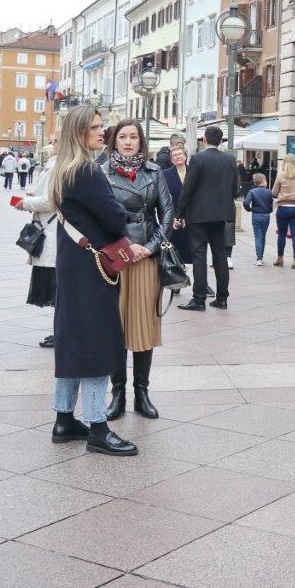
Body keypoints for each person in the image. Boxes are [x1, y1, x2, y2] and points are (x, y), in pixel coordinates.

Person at [47, 105, 137, 456]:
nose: (104, 132)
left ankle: (64, 418)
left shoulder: (62, 169)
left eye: (103, 126)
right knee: (98, 341)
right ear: (79, 133)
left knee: (71, 338)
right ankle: (98, 426)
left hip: (73, 262)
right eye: (96, 128)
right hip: (92, 265)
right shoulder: (87, 171)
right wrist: (121, 213)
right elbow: (115, 219)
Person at [102, 120, 173, 421]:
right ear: (114, 141)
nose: (128, 142)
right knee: (114, 327)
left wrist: (151, 246)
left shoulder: (154, 172)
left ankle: (141, 392)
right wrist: (121, 245)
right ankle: (118, 393)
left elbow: (167, 214)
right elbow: (98, 214)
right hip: (115, 256)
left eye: (133, 137)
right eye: (123, 137)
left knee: (144, 325)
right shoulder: (101, 172)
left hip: (145, 256)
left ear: (141, 141)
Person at [175, 125, 236, 311]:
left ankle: (199, 299)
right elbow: (235, 189)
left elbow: (188, 188)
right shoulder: (230, 159)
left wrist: (180, 213)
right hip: (220, 215)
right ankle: (222, 298)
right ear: (220, 140)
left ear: (204, 139)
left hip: (199, 215)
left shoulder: (198, 159)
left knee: (199, 255)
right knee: (220, 256)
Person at [18, 136, 59, 348]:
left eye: (56, 141)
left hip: (52, 233)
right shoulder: (53, 165)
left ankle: (61, 333)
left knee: (57, 291)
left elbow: (49, 201)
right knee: (57, 291)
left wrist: (25, 202)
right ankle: (60, 332)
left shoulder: (55, 167)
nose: (52, 145)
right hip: (51, 232)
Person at [161, 145, 193, 278]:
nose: (178, 156)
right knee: (175, 252)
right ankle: (177, 280)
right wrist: (173, 218)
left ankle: (202, 284)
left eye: (180, 154)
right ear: (171, 159)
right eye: (175, 155)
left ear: (185, 157)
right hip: (175, 219)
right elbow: (164, 199)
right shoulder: (165, 174)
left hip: (192, 218)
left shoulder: (194, 172)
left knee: (196, 254)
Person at [272, 154, 295, 268]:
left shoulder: (280, 176)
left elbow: (274, 193)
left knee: (281, 235)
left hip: (283, 208)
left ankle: (280, 258)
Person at [244, 173, 274, 266]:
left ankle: (259, 258)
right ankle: (261, 256)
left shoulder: (252, 192)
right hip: (266, 216)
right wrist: (270, 210)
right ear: (263, 181)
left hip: (256, 215)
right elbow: (271, 203)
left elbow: (246, 202)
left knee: (258, 236)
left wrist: (249, 209)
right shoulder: (269, 192)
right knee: (263, 236)